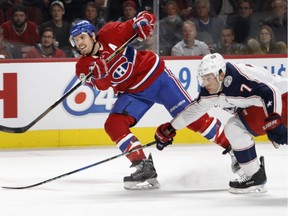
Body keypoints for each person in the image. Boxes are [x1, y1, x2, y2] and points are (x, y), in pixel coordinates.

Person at [69, 12, 236, 190]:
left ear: (93, 35)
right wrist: (100, 74)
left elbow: (144, 18)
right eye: (75, 40)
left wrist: (142, 23)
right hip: (133, 92)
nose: (80, 43)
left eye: (82, 37)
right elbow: (101, 86)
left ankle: (236, 150)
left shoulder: (110, 32)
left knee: (193, 119)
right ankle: (143, 166)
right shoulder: (82, 66)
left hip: (156, 76)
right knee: (113, 124)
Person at [155, 53, 287, 193]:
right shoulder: (214, 88)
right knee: (233, 127)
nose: (206, 83)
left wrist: (274, 118)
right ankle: (255, 176)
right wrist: (171, 128)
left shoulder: (239, 80)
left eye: (208, 78)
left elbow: (271, 92)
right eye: (204, 79)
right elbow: (195, 109)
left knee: (234, 127)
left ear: (221, 75)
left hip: (283, 99)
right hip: (266, 108)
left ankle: (255, 176)